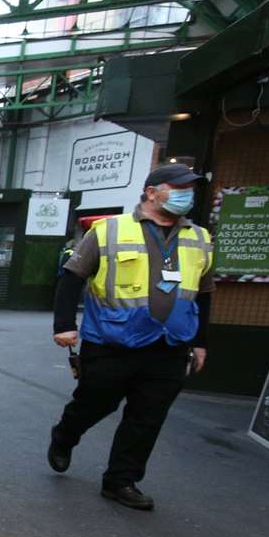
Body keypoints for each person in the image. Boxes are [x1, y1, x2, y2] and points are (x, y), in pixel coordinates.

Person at [47, 163, 213, 510]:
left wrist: (200, 341)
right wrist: (63, 324)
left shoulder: (200, 238)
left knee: (147, 416)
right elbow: (72, 278)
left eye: (190, 189)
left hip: (170, 345)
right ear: (152, 193)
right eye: (178, 187)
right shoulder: (109, 231)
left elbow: (205, 293)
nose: (187, 195)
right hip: (112, 341)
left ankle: (121, 480)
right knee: (95, 401)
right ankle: (65, 434)